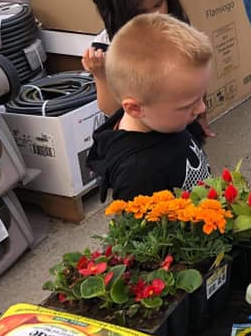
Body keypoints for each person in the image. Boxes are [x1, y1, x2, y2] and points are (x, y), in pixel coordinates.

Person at [86, 14, 211, 202]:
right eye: (188, 105)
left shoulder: (163, 117)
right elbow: (145, 231)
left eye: (200, 97)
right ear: (135, 108)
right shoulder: (138, 174)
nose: (201, 108)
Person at [82, 0, 189, 117]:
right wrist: (101, 75)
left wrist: (201, 117)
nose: (154, 16)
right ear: (117, 12)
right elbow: (112, 111)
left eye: (157, 4)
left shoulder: (176, 29)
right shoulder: (106, 50)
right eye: (140, 12)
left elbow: (195, 79)